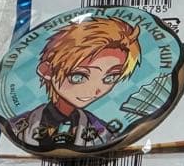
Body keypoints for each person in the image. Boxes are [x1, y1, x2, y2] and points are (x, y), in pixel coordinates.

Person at [8, 16, 141, 151]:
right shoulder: (18, 125)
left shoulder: (104, 132)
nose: (95, 90)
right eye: (78, 77)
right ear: (47, 71)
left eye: (110, 78)